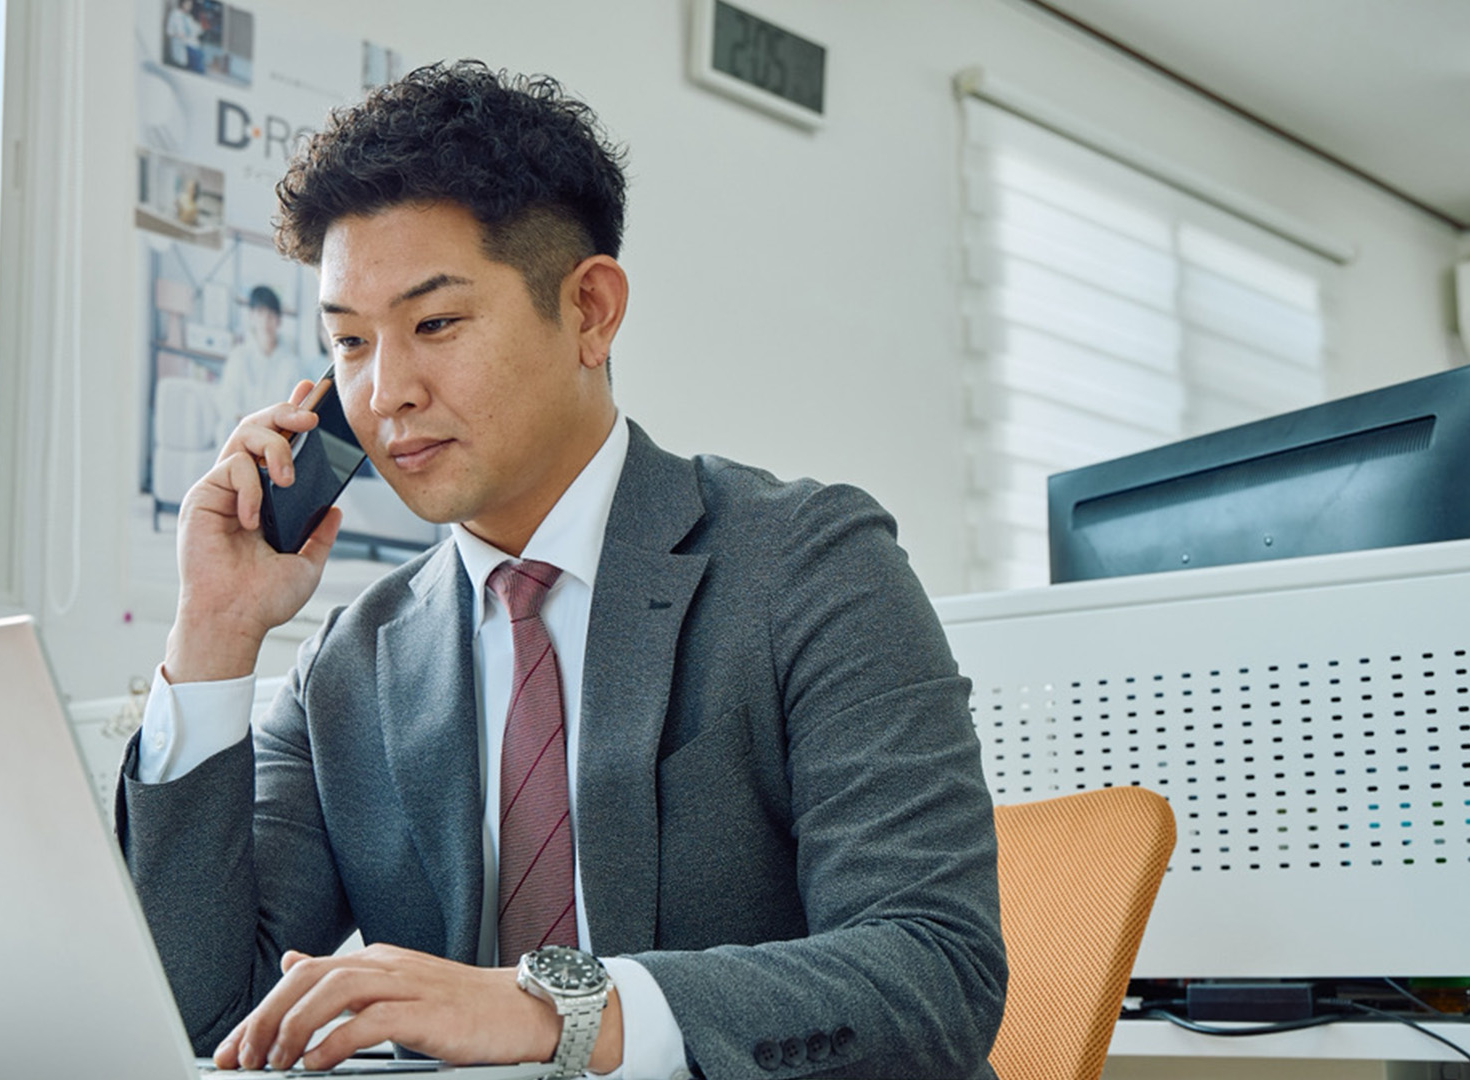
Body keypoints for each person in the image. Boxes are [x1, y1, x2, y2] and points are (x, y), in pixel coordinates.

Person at [119, 61, 1005, 1080]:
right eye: (350, 343)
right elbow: (208, 1018)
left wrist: (556, 1012)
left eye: (435, 324)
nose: (386, 391)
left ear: (589, 311)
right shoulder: (354, 665)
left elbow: (935, 975)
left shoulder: (808, 565)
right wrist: (217, 634)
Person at [215, 285, 317, 430]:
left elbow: (298, 406)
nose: (266, 320)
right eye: (260, 312)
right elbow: (226, 400)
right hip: (241, 430)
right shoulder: (239, 356)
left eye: (271, 314)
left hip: (276, 432)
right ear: (251, 316)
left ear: (279, 320)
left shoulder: (292, 364)